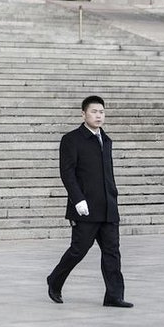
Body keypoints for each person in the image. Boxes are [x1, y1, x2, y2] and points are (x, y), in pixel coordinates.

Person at [47, 96, 133, 308]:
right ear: (83, 114)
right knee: (78, 250)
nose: (98, 116)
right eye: (94, 111)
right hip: (85, 208)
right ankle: (55, 279)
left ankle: (114, 295)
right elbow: (67, 173)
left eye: (101, 112)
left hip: (108, 207)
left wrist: (113, 197)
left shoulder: (106, 140)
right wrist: (78, 199)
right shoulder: (72, 139)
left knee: (112, 253)